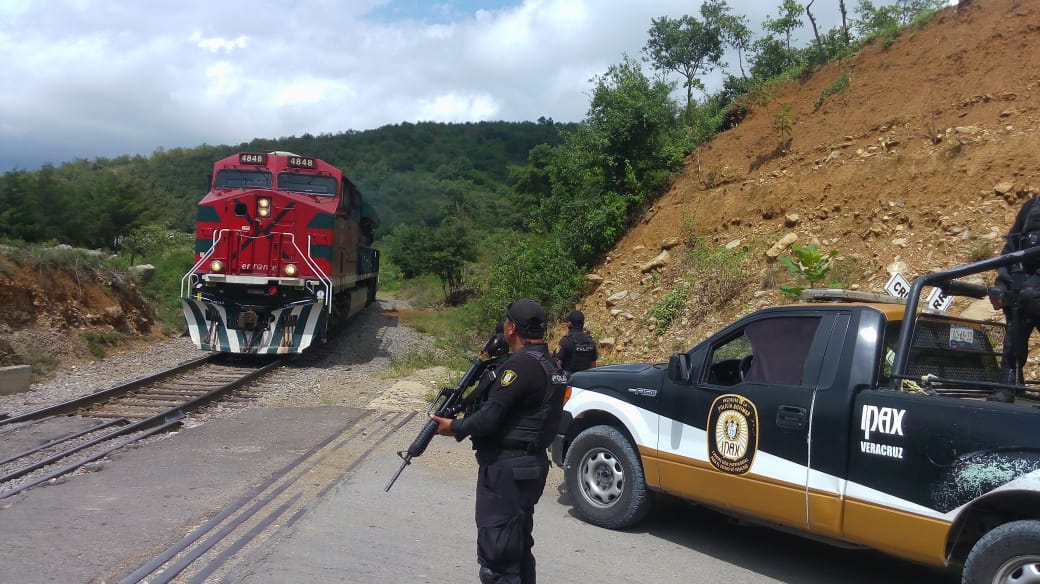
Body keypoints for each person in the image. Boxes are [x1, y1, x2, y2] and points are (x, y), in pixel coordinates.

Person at [430, 299, 566, 584]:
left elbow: (490, 417)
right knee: (517, 547)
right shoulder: (549, 362)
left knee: (498, 560)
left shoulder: (519, 366)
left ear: (511, 328)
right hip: (530, 466)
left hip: (508, 469)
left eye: (506, 322)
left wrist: (455, 427)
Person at [988, 196, 1040, 402]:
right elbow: (1010, 250)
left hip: (1033, 291)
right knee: (1018, 306)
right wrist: (1002, 284)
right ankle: (1009, 382)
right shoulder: (1031, 208)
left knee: (1028, 296)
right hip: (1023, 290)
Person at [555, 310, 598, 376]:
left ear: (570, 323)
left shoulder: (565, 341)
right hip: (584, 382)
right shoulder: (590, 342)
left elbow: (557, 366)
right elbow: (593, 368)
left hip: (569, 383)